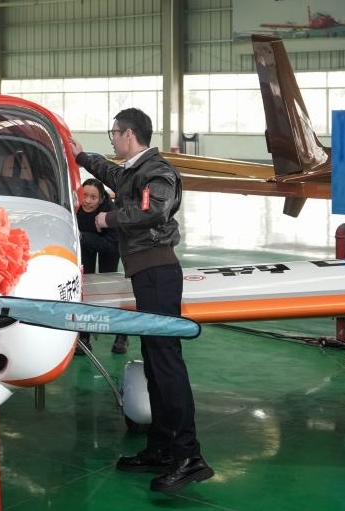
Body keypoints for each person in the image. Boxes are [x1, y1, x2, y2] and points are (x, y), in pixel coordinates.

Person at [71, 108, 214, 493]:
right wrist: (82, 156)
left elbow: (153, 208)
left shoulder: (157, 171)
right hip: (145, 272)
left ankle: (188, 456)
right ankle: (161, 448)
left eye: (113, 133)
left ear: (128, 134)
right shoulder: (134, 171)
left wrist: (109, 219)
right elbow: (110, 173)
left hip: (157, 272)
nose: (112, 139)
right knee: (154, 360)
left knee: (166, 363)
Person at [75, 177, 128, 355]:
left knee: (109, 290)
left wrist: (84, 236)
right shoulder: (75, 208)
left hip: (109, 245)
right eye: (84, 195)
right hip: (86, 244)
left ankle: (122, 334)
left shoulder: (110, 212)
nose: (87, 201)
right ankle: (84, 335)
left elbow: (113, 244)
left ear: (101, 199)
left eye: (93, 197)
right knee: (85, 287)